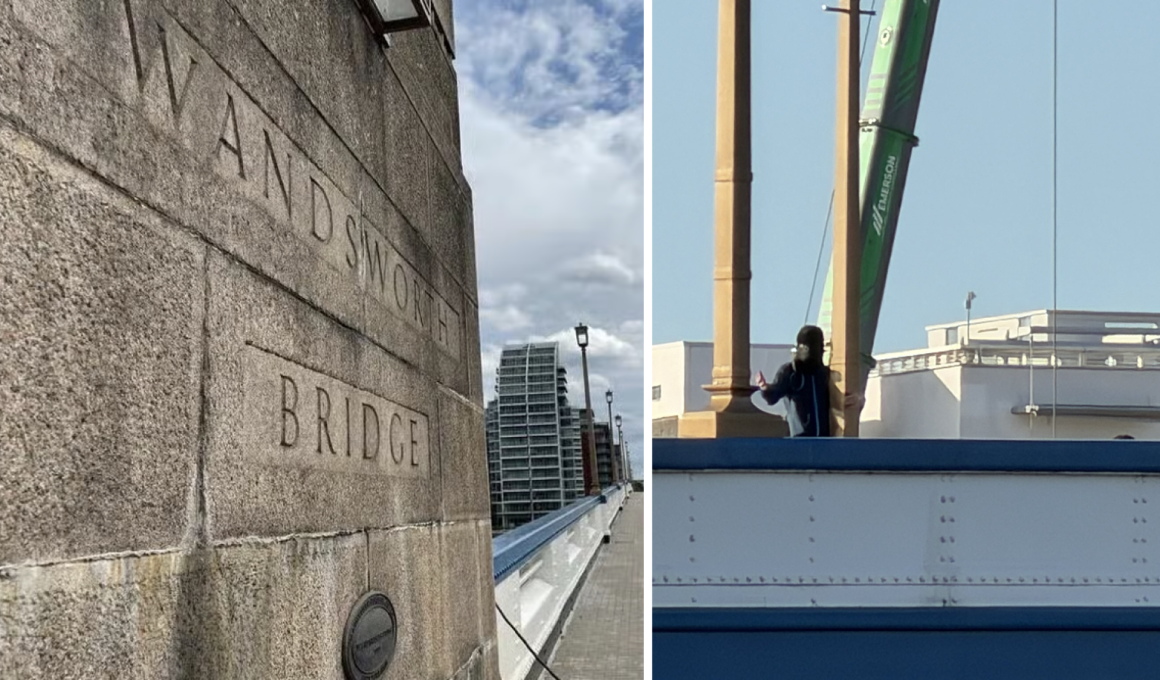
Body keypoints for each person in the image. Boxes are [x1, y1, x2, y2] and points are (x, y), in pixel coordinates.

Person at [754, 325, 864, 437]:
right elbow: (773, 396)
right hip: (800, 440)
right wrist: (765, 388)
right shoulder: (791, 372)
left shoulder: (824, 374)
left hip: (825, 439)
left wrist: (851, 400)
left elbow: (837, 402)